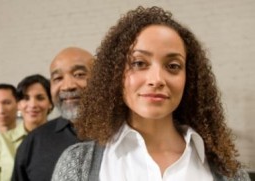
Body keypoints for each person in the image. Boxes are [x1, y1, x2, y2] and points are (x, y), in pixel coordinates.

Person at [52, 6, 251, 181]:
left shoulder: (229, 171)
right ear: (115, 74)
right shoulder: (78, 164)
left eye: (173, 66)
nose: (156, 79)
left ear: (188, 79)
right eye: (139, 63)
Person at [11, 47, 94, 181]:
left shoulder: (124, 134)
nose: (67, 86)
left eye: (79, 74)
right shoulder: (34, 142)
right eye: (58, 78)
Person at [0, 74, 53, 181]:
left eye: (40, 98)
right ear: (18, 104)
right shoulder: (0, 143)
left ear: (50, 103)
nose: (32, 104)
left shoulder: (61, 140)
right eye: (26, 98)